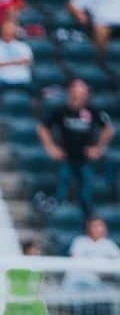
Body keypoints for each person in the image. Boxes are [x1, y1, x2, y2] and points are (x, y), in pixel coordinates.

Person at [37, 79, 114, 218]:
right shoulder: (61, 111)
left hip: (85, 159)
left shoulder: (93, 111)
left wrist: (98, 148)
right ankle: (58, 220)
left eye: (81, 94)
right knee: (61, 194)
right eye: (75, 94)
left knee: (86, 196)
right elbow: (42, 127)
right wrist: (50, 147)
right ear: (70, 93)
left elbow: (108, 129)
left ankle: (88, 222)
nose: (78, 98)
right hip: (65, 158)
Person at [0, 14, 33, 127]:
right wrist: (16, 62)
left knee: (36, 92)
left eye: (11, 28)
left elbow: (28, 61)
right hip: (1, 80)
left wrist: (6, 63)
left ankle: (33, 121)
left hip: (21, 80)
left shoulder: (23, 46)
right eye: (6, 28)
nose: (9, 31)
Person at [64, 215, 120, 289]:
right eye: (94, 226)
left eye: (100, 226)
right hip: (79, 278)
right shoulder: (80, 241)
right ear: (88, 228)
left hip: (99, 280)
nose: (98, 229)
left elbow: (117, 261)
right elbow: (75, 261)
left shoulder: (108, 243)